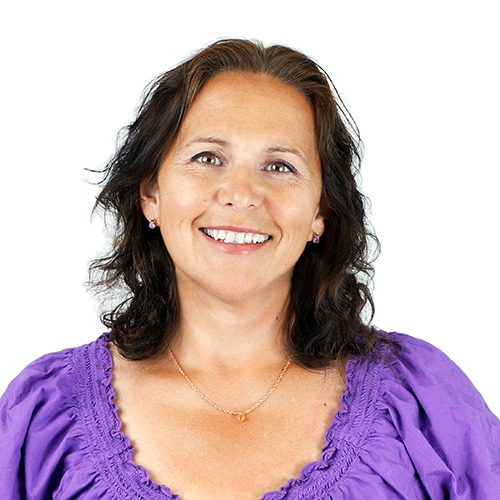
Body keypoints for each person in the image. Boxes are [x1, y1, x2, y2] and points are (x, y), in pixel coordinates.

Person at [0, 38, 499, 500]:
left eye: (280, 166)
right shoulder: (44, 416)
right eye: (207, 157)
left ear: (320, 212)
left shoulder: (425, 402)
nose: (240, 193)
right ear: (150, 195)